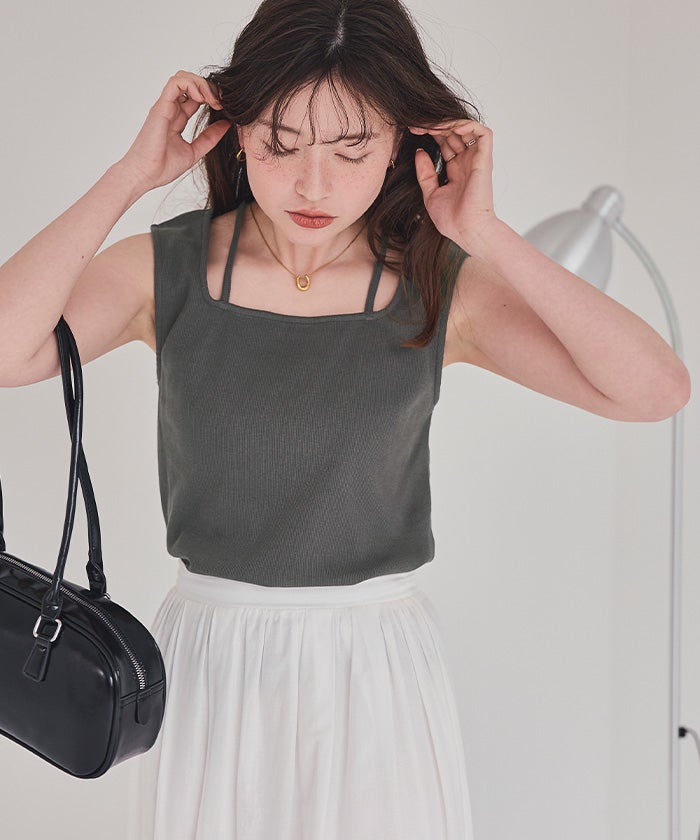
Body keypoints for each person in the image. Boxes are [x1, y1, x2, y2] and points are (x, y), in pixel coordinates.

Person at [0, 0, 690, 837]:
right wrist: (129, 176)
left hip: (374, 666)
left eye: (352, 149)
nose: (314, 184)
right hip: (215, 658)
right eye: (281, 144)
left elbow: (654, 391)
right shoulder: (166, 269)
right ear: (235, 133)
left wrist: (485, 232)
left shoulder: (439, 285)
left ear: (402, 142)